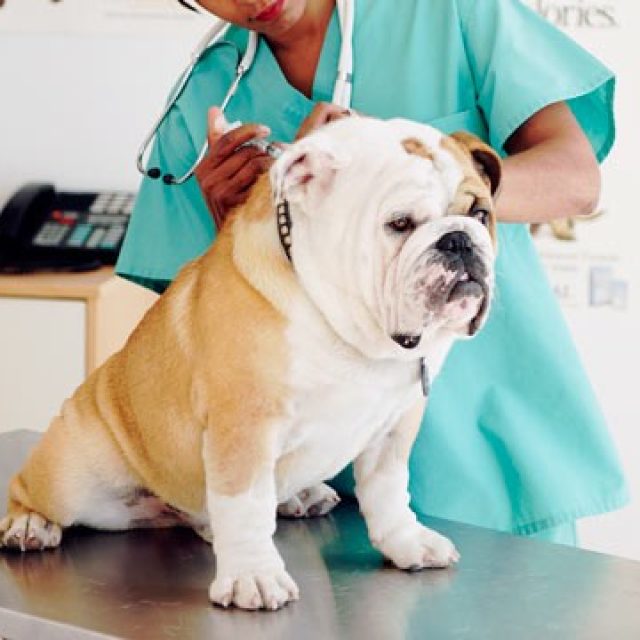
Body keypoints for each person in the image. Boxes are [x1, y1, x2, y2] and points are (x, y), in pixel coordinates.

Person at [116, 0, 628, 544]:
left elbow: (576, 180)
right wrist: (242, 225)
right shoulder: (206, 97)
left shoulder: (448, 13)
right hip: (317, 491)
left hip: (493, 451)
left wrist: (414, 182)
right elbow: (201, 347)